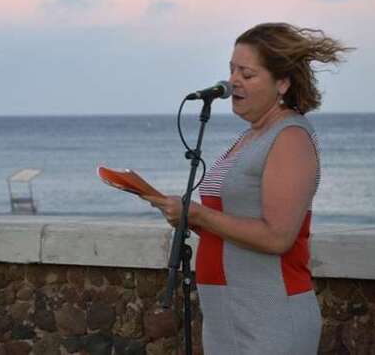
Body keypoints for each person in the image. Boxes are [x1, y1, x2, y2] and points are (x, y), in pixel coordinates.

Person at [145, 22, 351, 354]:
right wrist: (188, 218)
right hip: (227, 316)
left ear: (282, 82)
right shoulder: (251, 136)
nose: (233, 82)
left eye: (247, 73)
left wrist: (198, 214)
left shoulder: (290, 138)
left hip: (270, 317)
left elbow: (278, 237)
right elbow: (234, 223)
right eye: (232, 70)